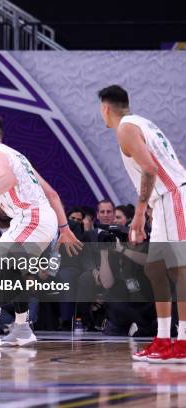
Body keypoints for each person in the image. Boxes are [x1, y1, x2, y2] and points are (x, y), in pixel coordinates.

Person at [0, 115, 81, 348]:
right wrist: (63, 228)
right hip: (39, 220)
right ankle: (22, 328)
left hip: (33, 218)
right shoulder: (19, 157)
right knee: (14, 273)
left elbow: (9, 180)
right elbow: (53, 194)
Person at [98, 85, 186, 362]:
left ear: (105, 108)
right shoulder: (142, 122)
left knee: (180, 272)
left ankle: (182, 341)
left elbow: (150, 168)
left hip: (172, 197)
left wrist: (139, 211)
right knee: (154, 270)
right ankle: (162, 339)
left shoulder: (125, 127)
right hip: (162, 201)